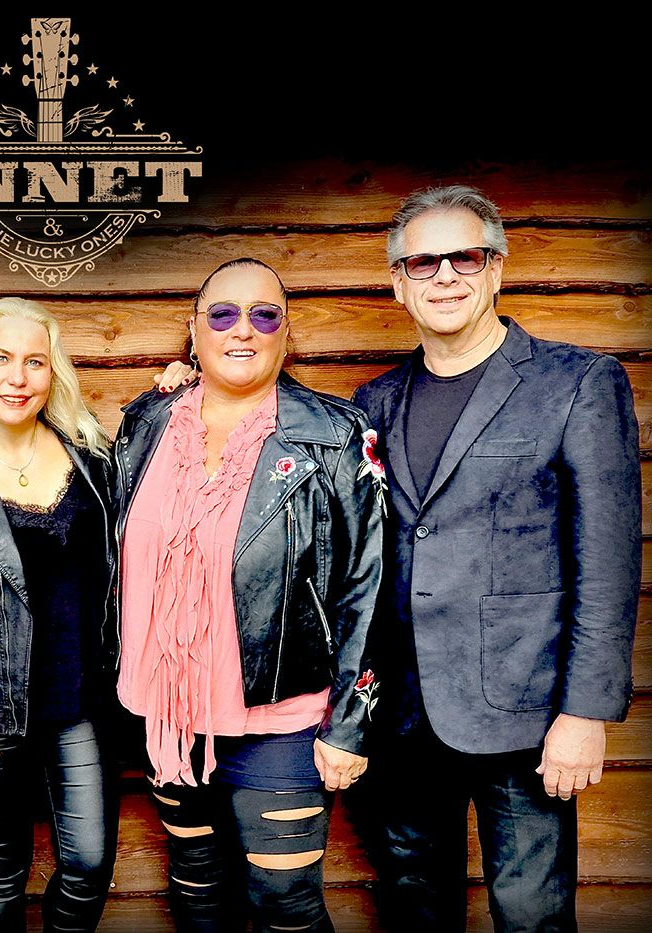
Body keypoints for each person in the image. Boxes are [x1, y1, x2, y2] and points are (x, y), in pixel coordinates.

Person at [350, 185, 641, 932]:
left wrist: (585, 712)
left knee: (531, 915)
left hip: (527, 714)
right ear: (398, 283)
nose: (445, 276)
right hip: (404, 716)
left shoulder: (575, 382)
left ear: (497, 269)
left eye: (466, 257)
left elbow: (608, 563)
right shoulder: (373, 401)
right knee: (415, 910)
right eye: (423, 262)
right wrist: (187, 376)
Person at [114, 258, 385, 932]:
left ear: (286, 333)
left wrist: (351, 723)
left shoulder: (336, 436)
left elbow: (370, 584)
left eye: (264, 315)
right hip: (168, 719)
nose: (243, 330)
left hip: (282, 721)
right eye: (223, 314)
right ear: (194, 330)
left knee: (284, 902)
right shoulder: (146, 422)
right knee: (197, 887)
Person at [0, 298, 119, 932]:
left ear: (52, 373)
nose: (18, 378)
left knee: (88, 863)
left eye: (35, 362)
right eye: (1, 359)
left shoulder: (94, 462)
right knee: (1, 870)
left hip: (79, 700)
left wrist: (177, 380)